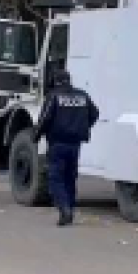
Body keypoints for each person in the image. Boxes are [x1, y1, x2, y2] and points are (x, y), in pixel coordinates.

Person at [33, 69, 99, 226]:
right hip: (75, 144)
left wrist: (36, 136)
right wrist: (83, 127)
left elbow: (45, 118)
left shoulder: (54, 96)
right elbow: (95, 114)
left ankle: (64, 209)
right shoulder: (82, 95)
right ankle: (70, 208)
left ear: (56, 81)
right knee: (70, 178)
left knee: (56, 178)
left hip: (57, 143)